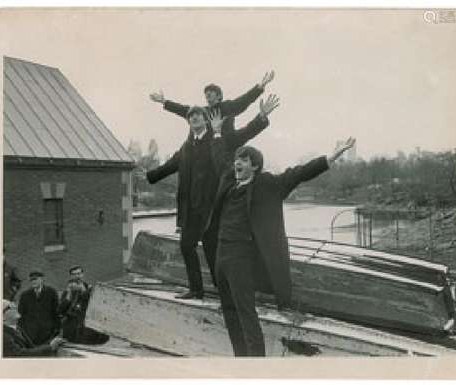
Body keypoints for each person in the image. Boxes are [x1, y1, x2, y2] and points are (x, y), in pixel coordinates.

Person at [206, 135, 356, 356]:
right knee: (228, 311)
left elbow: (298, 173)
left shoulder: (267, 185)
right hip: (221, 255)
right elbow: (219, 159)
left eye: (244, 160)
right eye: (237, 159)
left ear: (255, 166)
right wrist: (218, 134)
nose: (238, 162)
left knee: (245, 312)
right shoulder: (229, 180)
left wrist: (331, 157)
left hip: (241, 257)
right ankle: (240, 359)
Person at [146, 95, 279, 299]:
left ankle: (224, 292)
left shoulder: (219, 140)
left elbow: (244, 134)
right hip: (192, 210)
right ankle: (196, 290)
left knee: (213, 252)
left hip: (213, 209)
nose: (194, 119)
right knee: (186, 246)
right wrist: (148, 175)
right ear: (189, 123)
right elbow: (170, 166)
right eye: (191, 117)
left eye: (198, 115)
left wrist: (261, 117)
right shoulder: (186, 148)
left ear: (205, 119)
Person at [149, 71, 275, 137]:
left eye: (211, 92)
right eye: (206, 93)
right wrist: (164, 102)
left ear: (219, 96)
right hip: (208, 151)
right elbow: (183, 109)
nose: (208, 94)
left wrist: (260, 86)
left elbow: (244, 100)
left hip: (226, 147)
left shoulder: (227, 106)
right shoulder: (202, 112)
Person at [58, 265, 109, 344]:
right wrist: (68, 295)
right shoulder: (68, 291)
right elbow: (60, 310)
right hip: (72, 328)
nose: (77, 276)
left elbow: (95, 305)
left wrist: (84, 291)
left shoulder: (90, 289)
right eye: (74, 274)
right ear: (71, 276)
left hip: (87, 327)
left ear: (82, 274)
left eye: (79, 273)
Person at [17, 270, 60, 346]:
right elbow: (21, 315)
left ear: (42, 279)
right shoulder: (25, 295)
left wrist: (56, 330)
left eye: (35, 279)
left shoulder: (51, 292)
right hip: (30, 334)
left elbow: (56, 313)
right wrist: (23, 332)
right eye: (31, 280)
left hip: (47, 333)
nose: (33, 282)